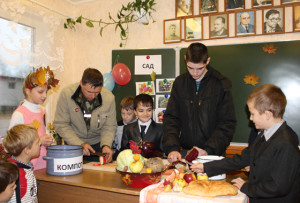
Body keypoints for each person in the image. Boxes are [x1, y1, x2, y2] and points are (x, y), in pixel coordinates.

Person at [191, 84, 300, 203]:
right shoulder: (263, 135)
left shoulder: (285, 143)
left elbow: (278, 187)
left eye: (253, 114)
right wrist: (205, 167)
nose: (251, 119)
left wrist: (246, 187)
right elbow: (241, 159)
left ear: (267, 114)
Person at [163, 42, 236, 163]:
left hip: (212, 155)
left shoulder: (221, 83)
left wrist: (208, 150)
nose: (195, 73)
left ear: (208, 61)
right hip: (185, 153)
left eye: (200, 68)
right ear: (185, 59)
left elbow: (227, 123)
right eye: (190, 68)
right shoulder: (179, 83)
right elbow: (171, 118)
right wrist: (172, 148)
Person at [53, 68, 117, 162]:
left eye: (97, 93)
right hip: (73, 143)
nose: (93, 96)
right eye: (89, 92)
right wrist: (79, 144)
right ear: (81, 83)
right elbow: (61, 124)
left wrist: (106, 145)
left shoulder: (109, 98)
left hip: (97, 146)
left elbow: (109, 126)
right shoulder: (67, 94)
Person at [9, 67, 55, 170]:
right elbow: (12, 145)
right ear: (28, 91)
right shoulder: (19, 114)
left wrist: (47, 142)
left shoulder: (42, 111)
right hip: (26, 167)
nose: (45, 95)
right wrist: (39, 141)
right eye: (40, 92)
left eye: (46, 92)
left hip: (43, 164)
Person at [3, 124, 40, 203]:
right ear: (27, 150)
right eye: (37, 143)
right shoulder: (19, 174)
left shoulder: (20, 168)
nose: (40, 144)